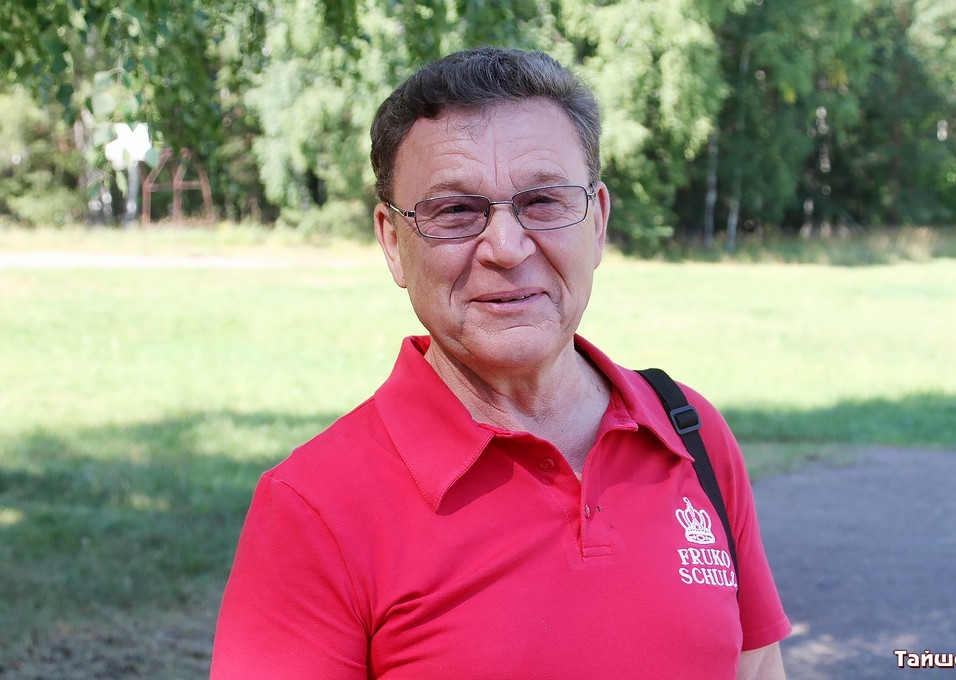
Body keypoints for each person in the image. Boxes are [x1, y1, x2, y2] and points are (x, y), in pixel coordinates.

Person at [211, 46, 791, 679]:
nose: (507, 248)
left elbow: (758, 668)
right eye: (456, 211)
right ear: (393, 242)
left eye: (543, 201)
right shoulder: (314, 506)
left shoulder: (688, 433)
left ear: (597, 221)